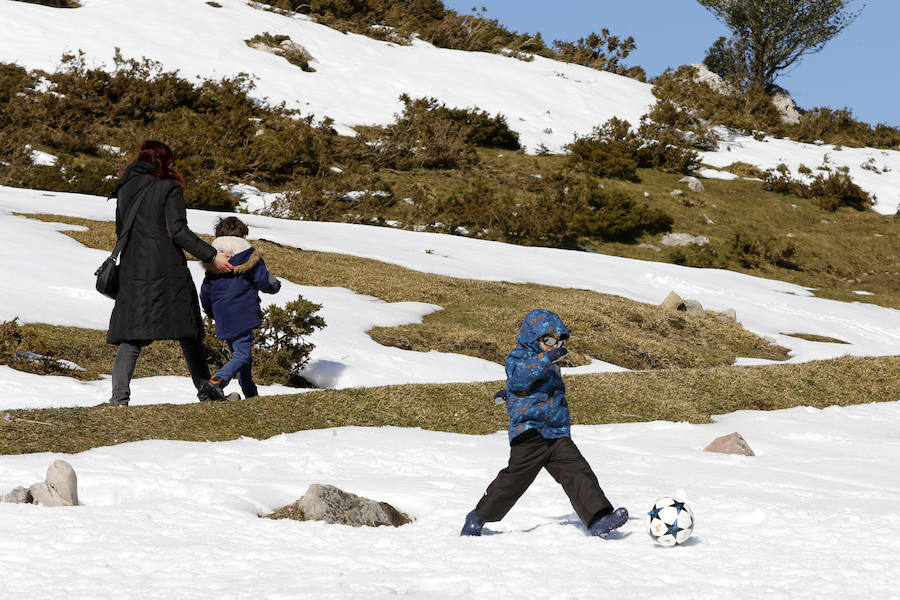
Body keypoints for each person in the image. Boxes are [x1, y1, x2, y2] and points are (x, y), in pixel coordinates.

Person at [460, 309, 628, 537]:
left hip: (556, 433)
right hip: (530, 434)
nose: (553, 346)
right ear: (531, 338)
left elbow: (533, 390)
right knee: (513, 481)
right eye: (547, 340)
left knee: (578, 472)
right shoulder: (518, 358)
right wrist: (544, 360)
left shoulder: (550, 363)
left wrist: (511, 394)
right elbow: (519, 378)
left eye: (557, 342)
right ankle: (478, 517)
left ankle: (598, 518)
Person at [106, 140, 233, 406]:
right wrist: (212, 256)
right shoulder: (169, 186)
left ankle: (119, 400)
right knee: (189, 333)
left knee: (132, 335)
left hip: (133, 269)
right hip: (167, 270)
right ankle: (207, 394)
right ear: (163, 161)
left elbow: (122, 231)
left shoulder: (126, 186)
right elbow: (177, 231)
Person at [200, 216, 281, 401]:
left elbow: (205, 291)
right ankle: (217, 381)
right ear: (244, 236)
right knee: (243, 355)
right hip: (242, 312)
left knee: (242, 355)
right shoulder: (250, 256)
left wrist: (211, 311)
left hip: (222, 315)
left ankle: (251, 394)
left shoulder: (214, 260)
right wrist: (275, 285)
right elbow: (264, 282)